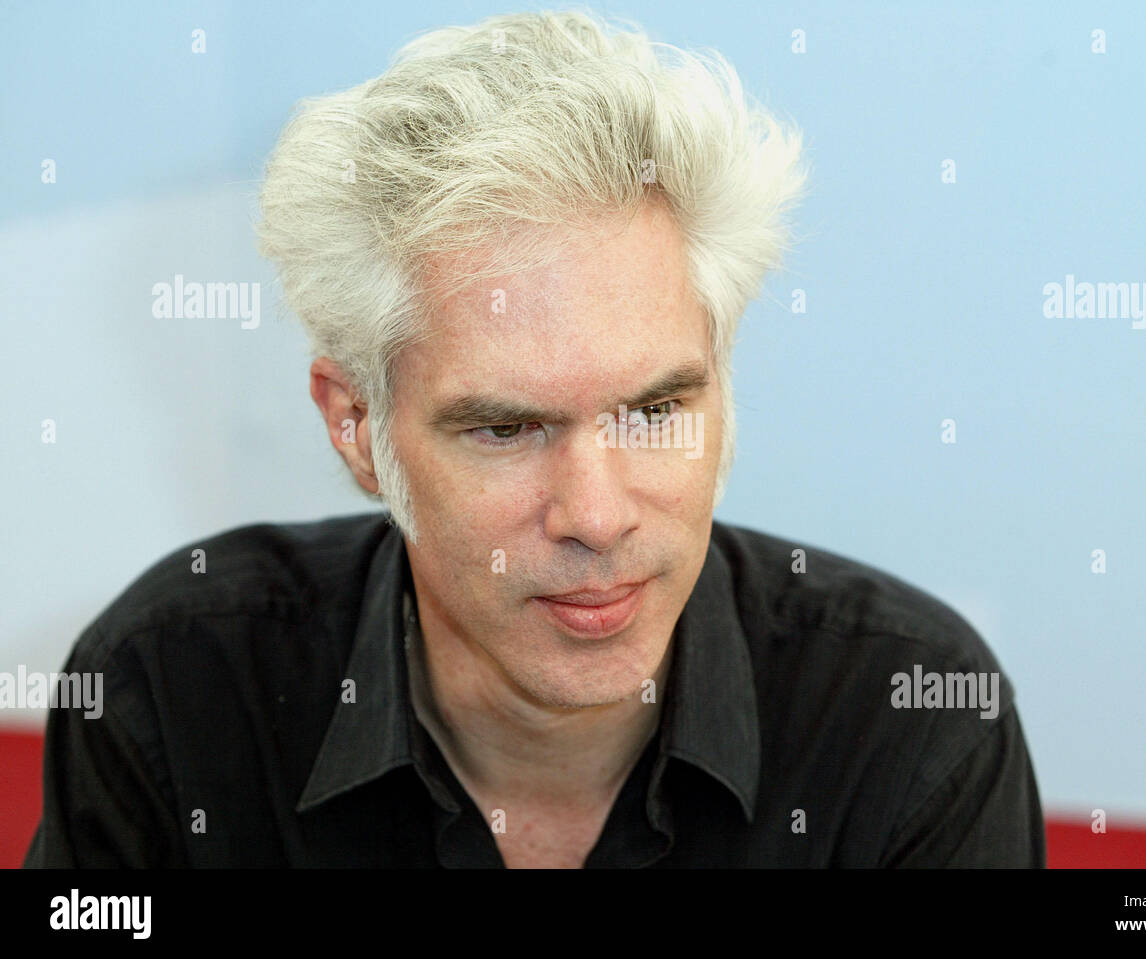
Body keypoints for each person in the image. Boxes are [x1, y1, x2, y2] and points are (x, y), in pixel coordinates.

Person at [24, 9, 1044, 868]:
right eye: (506, 428)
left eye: (655, 410)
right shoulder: (168, 691)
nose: (595, 514)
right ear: (357, 426)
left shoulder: (909, 725)